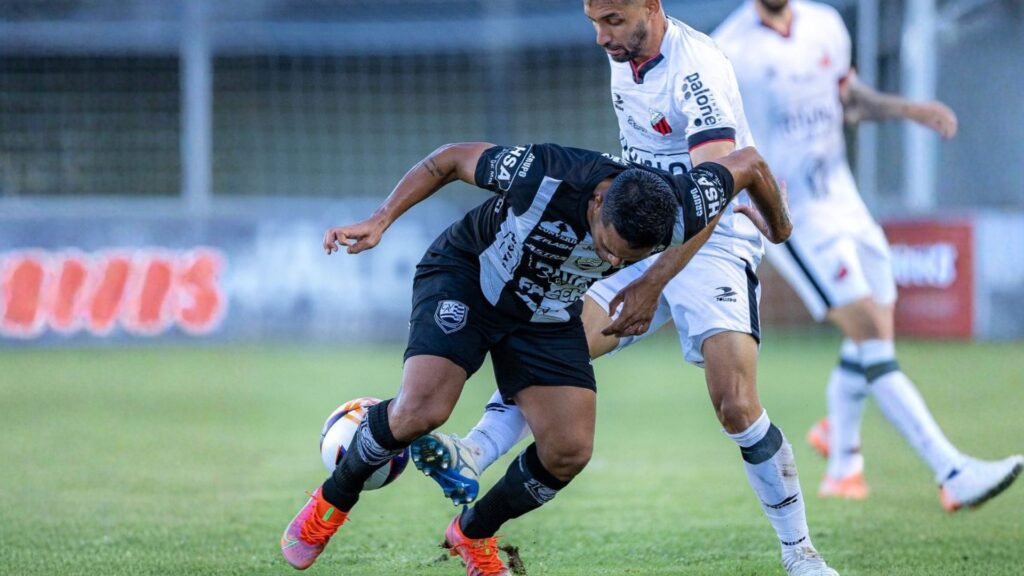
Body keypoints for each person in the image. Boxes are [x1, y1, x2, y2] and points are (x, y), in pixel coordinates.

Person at [410, 1, 841, 575]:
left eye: (612, 20)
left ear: (651, 6)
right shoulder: (625, 52)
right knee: (557, 339)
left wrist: (654, 282)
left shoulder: (697, 71)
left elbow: (711, 194)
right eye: (593, 21)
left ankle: (800, 553)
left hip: (707, 240)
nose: (600, 36)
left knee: (735, 402)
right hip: (634, 227)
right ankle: (474, 450)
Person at [279, 140, 791, 576]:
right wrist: (381, 219)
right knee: (422, 411)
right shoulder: (546, 171)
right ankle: (332, 500)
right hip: (470, 278)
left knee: (569, 450)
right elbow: (450, 159)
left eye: (628, 259)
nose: (613, 262)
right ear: (598, 200)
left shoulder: (679, 204)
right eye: (611, 248)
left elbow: (750, 164)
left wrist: (780, 228)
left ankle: (472, 533)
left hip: (546, 312)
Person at [712, 0, 1022, 508]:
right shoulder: (730, 49)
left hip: (845, 201)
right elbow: (718, 145)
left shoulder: (825, 24)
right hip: (793, 218)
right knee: (872, 338)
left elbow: (846, 99)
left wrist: (909, 109)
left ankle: (842, 462)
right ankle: (952, 470)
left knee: (878, 324)